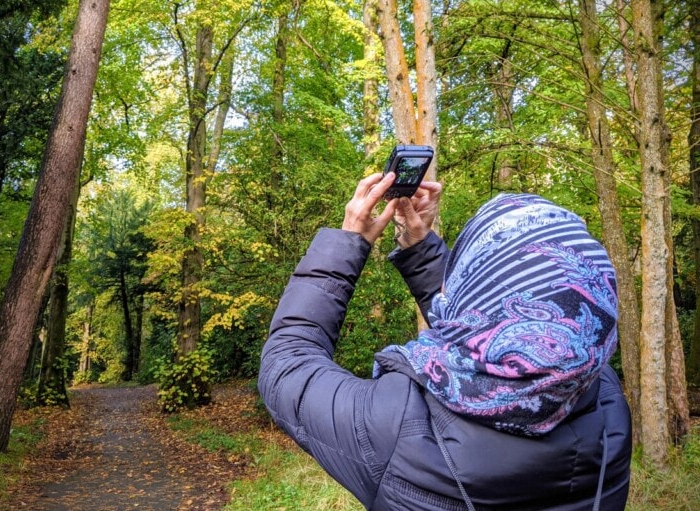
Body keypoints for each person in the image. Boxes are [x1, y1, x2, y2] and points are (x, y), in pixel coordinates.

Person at [258, 172, 632, 511]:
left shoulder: (400, 427)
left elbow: (286, 363)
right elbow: (484, 327)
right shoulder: (606, 403)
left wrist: (349, 240)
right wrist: (420, 247)